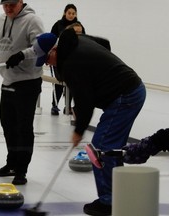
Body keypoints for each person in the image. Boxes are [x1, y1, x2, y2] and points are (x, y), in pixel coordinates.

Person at [55, 28, 146, 215]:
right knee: (111, 149)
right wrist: (103, 68)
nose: (49, 64)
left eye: (47, 59)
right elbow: (105, 44)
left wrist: (78, 131)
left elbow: (85, 101)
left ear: (54, 50)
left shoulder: (72, 63)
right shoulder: (78, 39)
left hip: (125, 95)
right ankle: (118, 196)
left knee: (101, 147)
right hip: (132, 88)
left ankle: (109, 203)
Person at [0, 0, 55, 185]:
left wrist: (22, 55)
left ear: (21, 2)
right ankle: (12, 164)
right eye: (5, 5)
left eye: (12, 5)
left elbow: (40, 48)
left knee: (23, 128)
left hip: (27, 82)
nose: (8, 8)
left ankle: (21, 170)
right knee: (8, 125)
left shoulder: (33, 20)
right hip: (7, 80)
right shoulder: (1, 20)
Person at [50, 4, 85, 116]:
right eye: (69, 13)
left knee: (71, 84)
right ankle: (54, 105)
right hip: (59, 59)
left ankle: (68, 107)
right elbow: (51, 40)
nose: (71, 15)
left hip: (74, 60)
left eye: (73, 13)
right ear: (65, 13)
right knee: (59, 83)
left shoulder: (79, 27)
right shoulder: (58, 25)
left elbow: (84, 41)